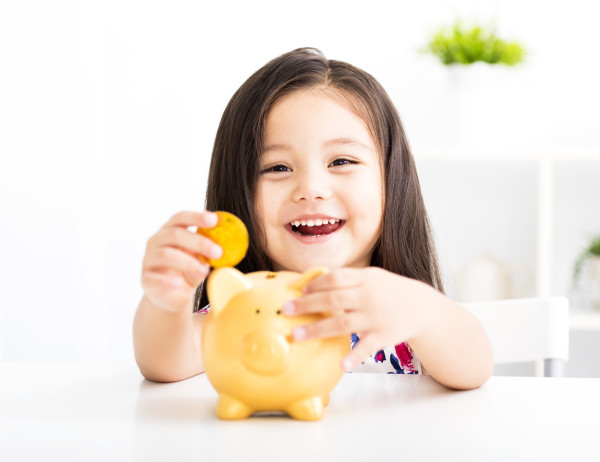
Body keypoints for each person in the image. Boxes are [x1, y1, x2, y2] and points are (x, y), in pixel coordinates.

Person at [133, 47, 493, 389]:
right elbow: (167, 362)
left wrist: (425, 311)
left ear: (391, 180)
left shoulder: (405, 316)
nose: (311, 189)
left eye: (341, 161)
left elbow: (474, 368)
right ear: (238, 191)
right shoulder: (241, 309)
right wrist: (165, 304)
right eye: (276, 167)